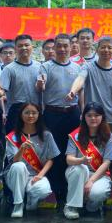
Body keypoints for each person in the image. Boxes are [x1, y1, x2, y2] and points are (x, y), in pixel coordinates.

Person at [39, 33, 82, 203]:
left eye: (66, 46)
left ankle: (69, 189)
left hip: (73, 114)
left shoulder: (78, 67)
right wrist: (40, 84)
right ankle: (54, 191)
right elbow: (40, 86)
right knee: (54, 152)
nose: (62, 49)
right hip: (52, 114)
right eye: (59, 46)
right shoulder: (46, 67)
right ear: (54, 47)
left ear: (71, 47)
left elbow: (82, 92)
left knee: (71, 151)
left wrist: (82, 112)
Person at [4, 103, 58, 218]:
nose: (30, 115)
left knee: (43, 190)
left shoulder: (46, 135)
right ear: (21, 115)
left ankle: (31, 202)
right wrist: (22, 149)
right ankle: (18, 204)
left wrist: (40, 175)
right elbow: (14, 161)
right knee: (19, 166)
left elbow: (51, 159)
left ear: (39, 115)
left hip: (35, 174)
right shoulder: (13, 136)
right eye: (27, 112)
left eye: (34, 113)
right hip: (16, 175)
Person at [64, 103, 112, 219]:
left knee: (96, 194)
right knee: (80, 169)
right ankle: (71, 206)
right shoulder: (75, 135)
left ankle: (92, 204)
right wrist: (81, 160)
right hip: (78, 173)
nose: (93, 118)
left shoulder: (109, 136)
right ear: (84, 117)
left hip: (99, 175)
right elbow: (69, 159)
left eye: (96, 115)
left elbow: (107, 162)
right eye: (89, 115)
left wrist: (91, 181)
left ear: (102, 117)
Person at [69, 36, 112, 135]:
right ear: (97, 50)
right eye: (103, 47)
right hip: (91, 118)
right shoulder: (88, 67)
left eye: (109, 47)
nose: (106, 50)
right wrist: (73, 91)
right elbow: (80, 78)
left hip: (111, 119)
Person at [0, 34, 41, 131]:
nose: (24, 48)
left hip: (35, 110)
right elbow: (1, 91)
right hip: (17, 110)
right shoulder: (9, 69)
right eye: (20, 46)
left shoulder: (39, 66)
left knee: (35, 138)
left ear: (32, 47)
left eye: (26, 45)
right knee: (14, 138)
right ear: (16, 48)